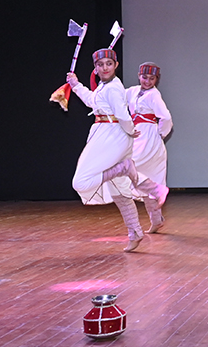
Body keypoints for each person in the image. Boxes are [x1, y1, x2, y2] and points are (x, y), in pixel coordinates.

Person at [67, 48, 169, 252]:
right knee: (119, 189)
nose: (105, 67)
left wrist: (131, 131)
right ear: (95, 68)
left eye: (109, 63)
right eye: (100, 64)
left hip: (112, 135)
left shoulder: (113, 87)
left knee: (81, 182)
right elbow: (92, 101)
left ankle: (125, 169)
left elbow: (123, 115)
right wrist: (76, 85)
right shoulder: (106, 87)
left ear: (116, 65)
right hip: (108, 133)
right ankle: (135, 230)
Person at [125, 62, 173, 233]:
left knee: (131, 168)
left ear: (156, 80)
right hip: (136, 135)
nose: (147, 81)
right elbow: (114, 97)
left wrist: (160, 134)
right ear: (139, 76)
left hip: (148, 138)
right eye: (144, 77)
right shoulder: (132, 91)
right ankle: (156, 220)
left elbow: (166, 118)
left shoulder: (154, 95)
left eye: (152, 78)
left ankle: (158, 192)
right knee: (147, 180)